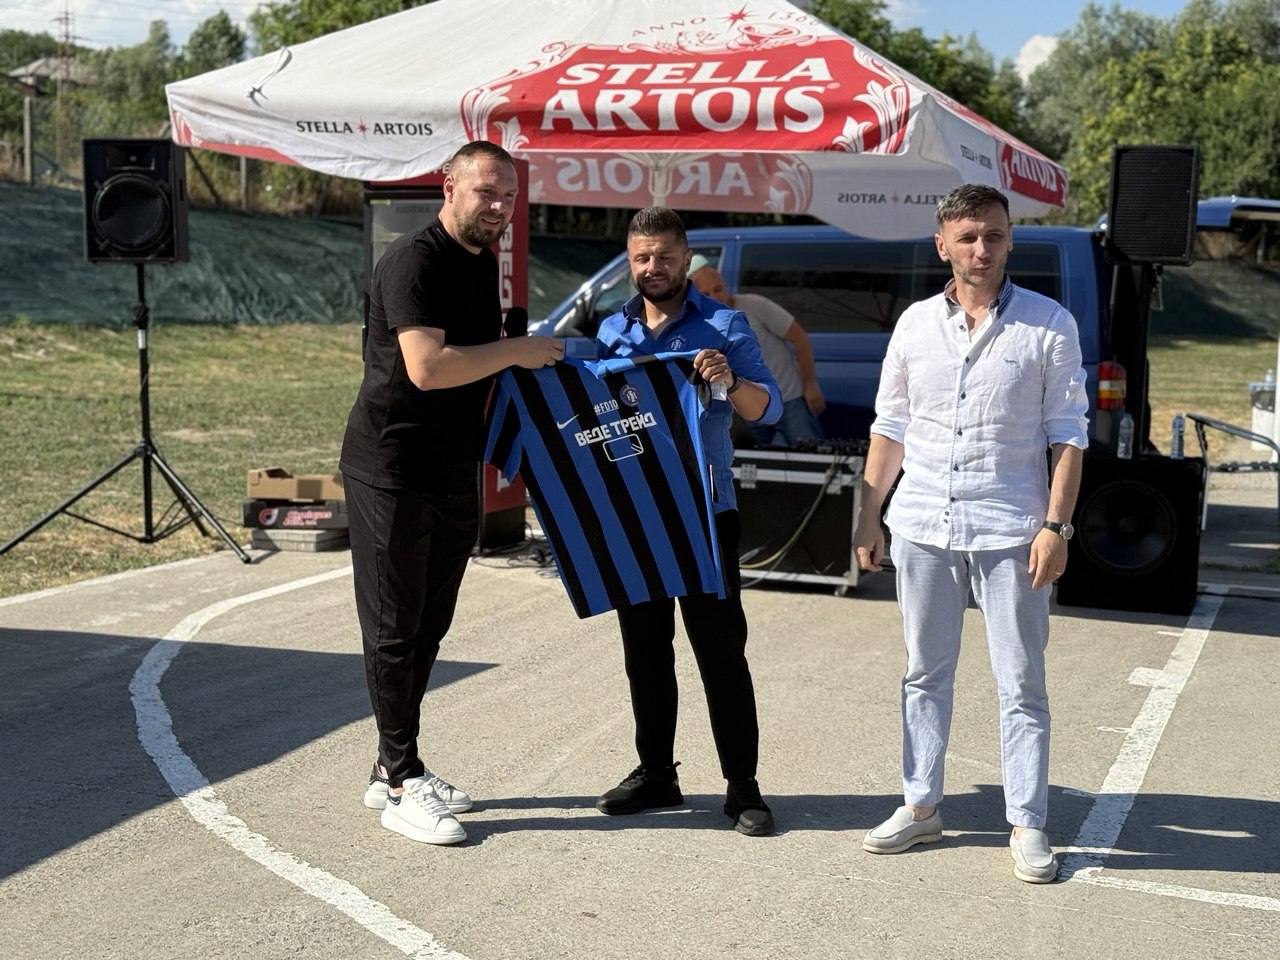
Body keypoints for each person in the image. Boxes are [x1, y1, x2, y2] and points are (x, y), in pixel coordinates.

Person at [852, 184, 1088, 883]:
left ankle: (1028, 823)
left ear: (1010, 239)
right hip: (922, 523)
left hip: (1013, 528)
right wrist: (868, 514)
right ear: (942, 245)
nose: (982, 249)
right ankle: (921, 806)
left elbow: (1068, 437)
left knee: (1022, 682)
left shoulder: (1049, 325)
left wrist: (1056, 525)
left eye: (994, 235)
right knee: (924, 672)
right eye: (968, 237)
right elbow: (890, 427)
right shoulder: (914, 324)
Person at [339, 141, 564, 845]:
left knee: (430, 625)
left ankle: (391, 763)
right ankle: (401, 782)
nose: (499, 207)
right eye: (486, 191)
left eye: (509, 197)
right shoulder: (416, 260)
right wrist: (519, 350)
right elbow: (428, 367)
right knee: (394, 628)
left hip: (451, 467)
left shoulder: (481, 261)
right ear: (450, 187)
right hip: (391, 467)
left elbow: (476, 366)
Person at [593, 207, 784, 836]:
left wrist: (729, 379)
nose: (654, 267)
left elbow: (767, 408)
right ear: (631, 261)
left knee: (721, 653)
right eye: (642, 257)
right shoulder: (613, 330)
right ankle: (657, 773)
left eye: (666, 256)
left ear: (686, 258)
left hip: (705, 512)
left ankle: (743, 786)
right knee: (644, 652)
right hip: (636, 513)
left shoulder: (723, 325)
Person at [688, 255, 826, 446]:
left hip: (788, 399)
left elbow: (800, 338)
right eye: (706, 294)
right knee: (752, 460)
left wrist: (810, 383)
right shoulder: (702, 324)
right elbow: (714, 372)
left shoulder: (754, 305)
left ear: (724, 283)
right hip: (746, 406)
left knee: (810, 454)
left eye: (717, 289)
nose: (716, 296)